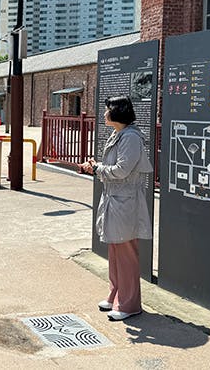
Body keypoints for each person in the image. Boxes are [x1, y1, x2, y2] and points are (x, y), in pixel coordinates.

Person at [79, 95, 153, 321]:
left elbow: (121, 170)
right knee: (115, 251)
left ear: (118, 112)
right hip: (115, 198)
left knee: (126, 254)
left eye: (107, 110)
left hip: (125, 201)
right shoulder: (119, 134)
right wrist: (97, 167)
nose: (104, 114)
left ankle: (129, 304)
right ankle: (116, 294)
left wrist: (97, 169)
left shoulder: (130, 138)